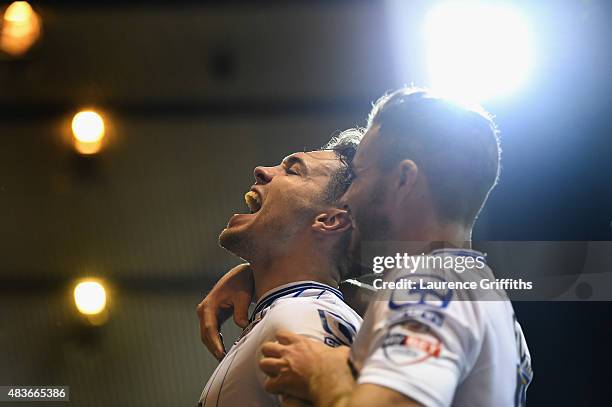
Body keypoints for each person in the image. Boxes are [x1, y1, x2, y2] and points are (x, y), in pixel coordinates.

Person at [198, 87, 533, 406]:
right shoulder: (477, 294)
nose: (348, 197)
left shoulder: (429, 286)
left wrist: (320, 372)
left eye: (359, 175)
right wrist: (261, 279)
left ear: (403, 180)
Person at [196, 130, 364, 407]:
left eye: (294, 171)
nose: (261, 170)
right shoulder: (291, 311)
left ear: (330, 220)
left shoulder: (306, 317)